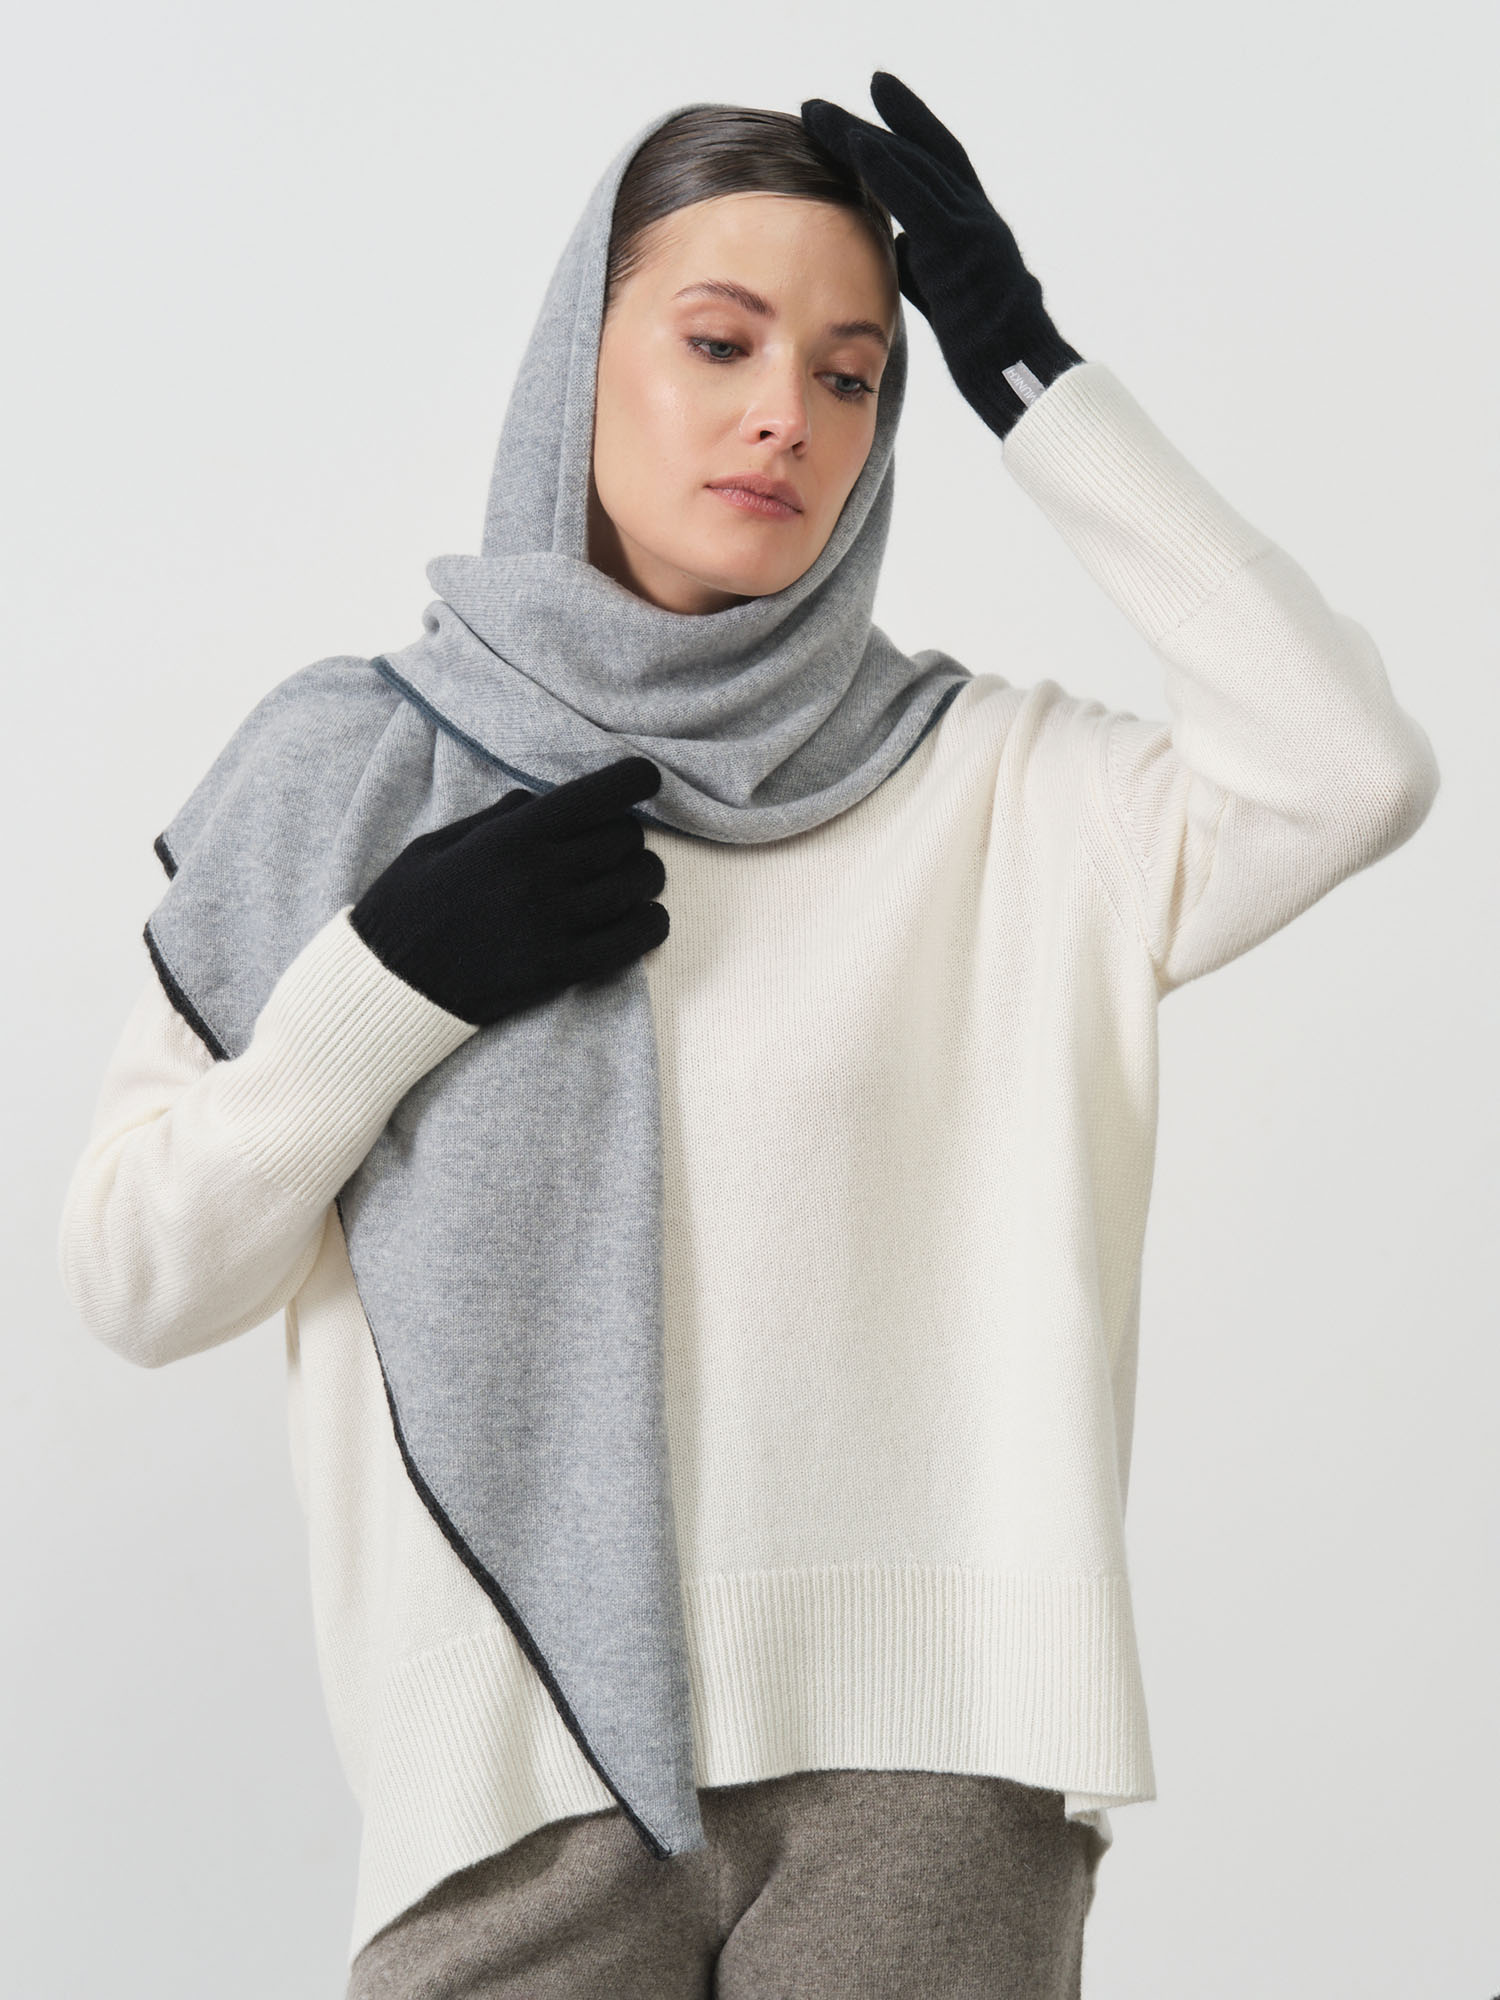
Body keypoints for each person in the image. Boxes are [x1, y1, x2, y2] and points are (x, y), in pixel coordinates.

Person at [56, 74, 1439, 1999]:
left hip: (933, 1770)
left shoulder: (995, 788)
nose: (789, 412)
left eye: (853, 375)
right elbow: (137, 1277)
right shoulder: (348, 774)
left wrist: (1034, 380)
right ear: (582, 358)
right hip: (511, 1784)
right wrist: (383, 988)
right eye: (720, 342)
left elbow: (1350, 770)